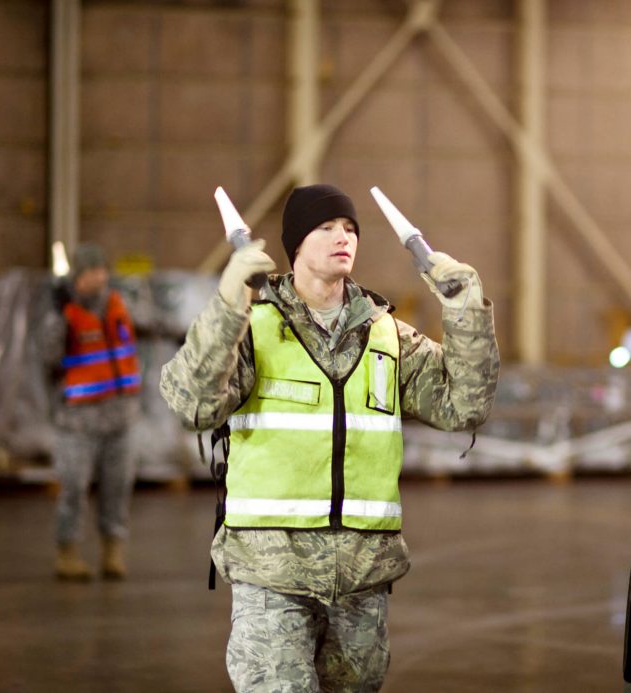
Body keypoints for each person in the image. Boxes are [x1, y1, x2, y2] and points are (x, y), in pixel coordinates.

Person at [159, 184, 499, 692]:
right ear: (296, 243)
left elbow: (465, 405)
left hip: (362, 579)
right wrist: (229, 304)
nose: (343, 236)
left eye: (350, 228)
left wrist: (467, 310)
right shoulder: (253, 329)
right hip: (272, 571)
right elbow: (192, 403)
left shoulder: (386, 335)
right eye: (326, 227)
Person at [42, 242, 142, 580]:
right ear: (77, 277)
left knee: (117, 488)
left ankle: (113, 551)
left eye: (100, 270)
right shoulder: (63, 311)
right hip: (77, 422)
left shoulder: (119, 305)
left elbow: (152, 324)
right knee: (72, 488)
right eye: (89, 272)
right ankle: (66, 552)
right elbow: (48, 358)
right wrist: (57, 316)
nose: (97, 277)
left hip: (120, 418)